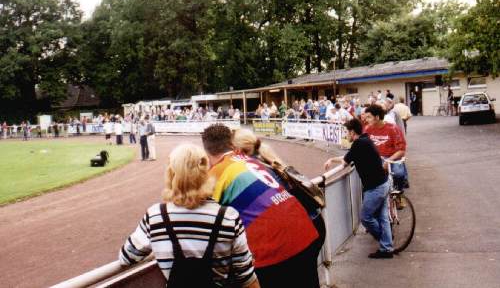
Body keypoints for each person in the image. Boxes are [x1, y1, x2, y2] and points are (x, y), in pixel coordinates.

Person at [119, 144, 259, 288]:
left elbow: (126, 257)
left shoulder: (155, 216)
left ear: (171, 174)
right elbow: (246, 276)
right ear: (206, 173)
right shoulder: (228, 217)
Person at [201, 124, 320, 288]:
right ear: (230, 144)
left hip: (274, 250)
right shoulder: (250, 159)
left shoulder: (216, 174)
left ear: (207, 153)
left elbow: (200, 213)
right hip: (305, 232)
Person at [324, 118, 393, 258]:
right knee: (382, 217)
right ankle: (387, 246)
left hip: (375, 187)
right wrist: (332, 160)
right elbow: (350, 157)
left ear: (352, 132)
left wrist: (332, 160)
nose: (346, 135)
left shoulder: (358, 144)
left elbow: (345, 162)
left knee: (366, 218)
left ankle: (386, 243)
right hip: (383, 183)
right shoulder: (365, 140)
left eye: (346, 132)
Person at [364, 104, 408, 190]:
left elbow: (402, 150)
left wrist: (389, 160)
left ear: (377, 117)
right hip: (376, 159)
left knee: (399, 173)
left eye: (369, 117)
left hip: (392, 158)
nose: (366, 120)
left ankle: (399, 193)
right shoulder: (367, 129)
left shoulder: (392, 128)